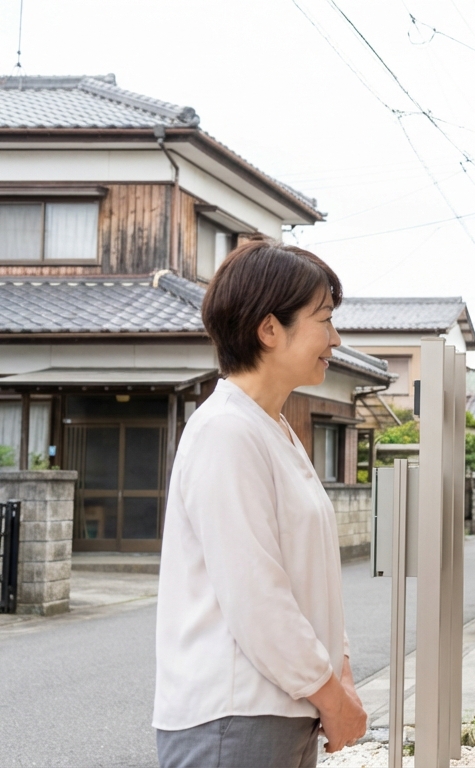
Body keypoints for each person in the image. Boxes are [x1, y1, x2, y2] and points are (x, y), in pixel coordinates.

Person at [153, 241, 368, 768]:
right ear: (269, 329)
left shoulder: (271, 428)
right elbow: (257, 596)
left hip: (276, 710)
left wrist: (338, 675)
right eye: (324, 319)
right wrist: (331, 696)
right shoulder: (227, 431)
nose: (335, 339)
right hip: (234, 717)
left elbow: (307, 577)